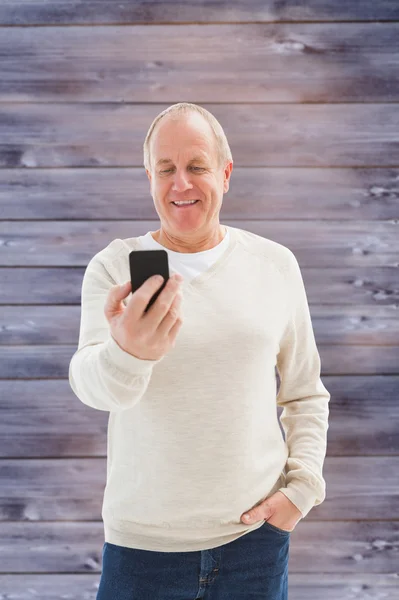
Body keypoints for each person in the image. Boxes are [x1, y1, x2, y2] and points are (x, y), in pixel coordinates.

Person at [69, 102, 330, 600]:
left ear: (226, 173)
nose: (180, 184)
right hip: (142, 550)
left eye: (196, 167)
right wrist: (128, 351)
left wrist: (300, 492)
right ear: (149, 177)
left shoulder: (275, 265)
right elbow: (91, 386)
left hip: (254, 543)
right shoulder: (115, 267)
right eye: (165, 169)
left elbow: (304, 394)